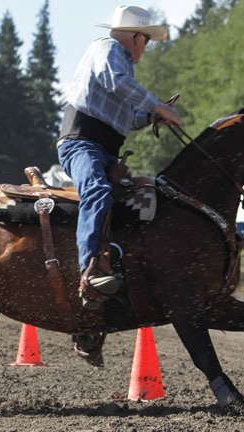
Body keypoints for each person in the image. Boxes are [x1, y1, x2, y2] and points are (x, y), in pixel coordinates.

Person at [57, 5, 181, 309]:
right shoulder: (109, 48)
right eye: (147, 41)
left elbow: (127, 115)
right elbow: (117, 82)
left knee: (137, 195)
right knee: (97, 191)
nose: (146, 48)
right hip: (81, 143)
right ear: (137, 37)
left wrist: (152, 116)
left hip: (101, 149)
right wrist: (158, 106)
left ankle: (118, 262)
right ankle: (90, 269)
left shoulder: (121, 64)